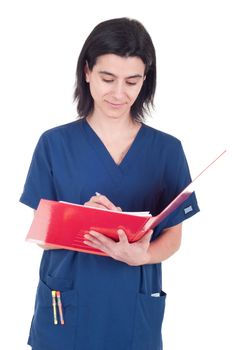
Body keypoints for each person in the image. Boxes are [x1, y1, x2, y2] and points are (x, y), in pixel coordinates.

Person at [20, 17, 200, 350]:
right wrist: (82, 220)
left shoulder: (166, 150)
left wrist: (141, 257)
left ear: (144, 81)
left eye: (132, 81)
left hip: (132, 305)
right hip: (68, 306)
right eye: (108, 78)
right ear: (87, 71)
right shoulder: (54, 144)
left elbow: (173, 236)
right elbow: (41, 236)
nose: (119, 93)